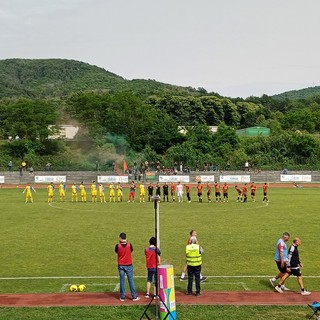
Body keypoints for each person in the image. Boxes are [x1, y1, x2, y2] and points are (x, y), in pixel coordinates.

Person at [115, 232, 140, 302]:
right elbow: (131, 251)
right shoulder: (129, 245)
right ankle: (134, 296)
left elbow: (116, 252)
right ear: (126, 238)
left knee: (122, 281)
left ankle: (122, 297)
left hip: (121, 265)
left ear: (120, 238)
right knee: (131, 280)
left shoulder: (117, 246)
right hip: (128, 265)